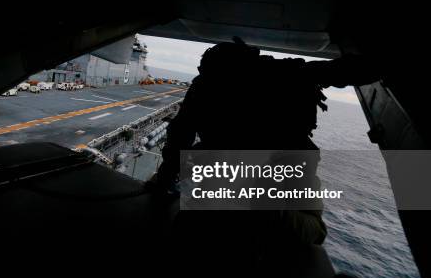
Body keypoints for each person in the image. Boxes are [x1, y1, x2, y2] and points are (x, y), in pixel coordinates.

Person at [151, 37, 381, 246]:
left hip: (277, 160)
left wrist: (164, 179)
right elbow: (338, 71)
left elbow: (181, 133)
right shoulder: (216, 82)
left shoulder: (212, 83)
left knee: (305, 226)